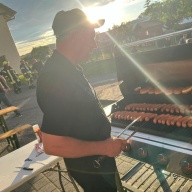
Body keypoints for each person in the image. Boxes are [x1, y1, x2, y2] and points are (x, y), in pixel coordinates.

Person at [36, 8, 127, 192]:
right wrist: (104, 147)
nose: (94, 45)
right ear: (75, 36)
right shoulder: (57, 78)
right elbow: (52, 144)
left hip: (99, 160)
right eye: (91, 37)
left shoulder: (68, 68)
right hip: (92, 168)